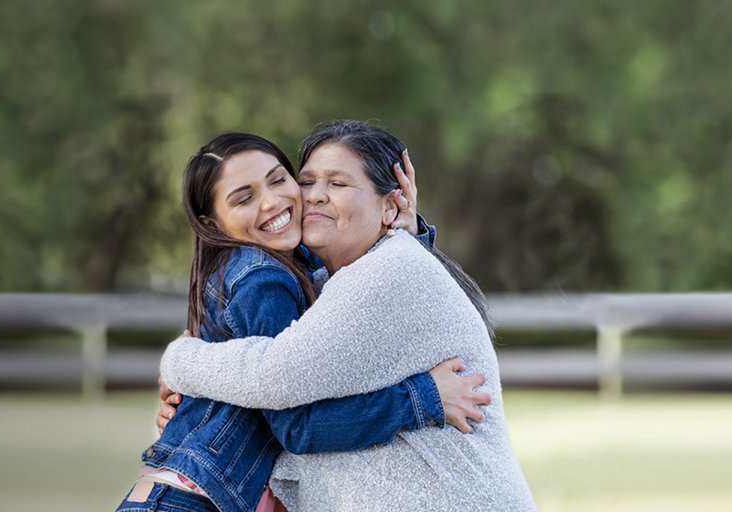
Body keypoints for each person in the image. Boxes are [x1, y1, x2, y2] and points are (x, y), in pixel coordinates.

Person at [159, 120, 538, 511]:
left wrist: (181, 360)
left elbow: (277, 376)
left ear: (390, 204)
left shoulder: (386, 270)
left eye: (337, 184)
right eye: (307, 182)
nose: (316, 196)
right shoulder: (337, 282)